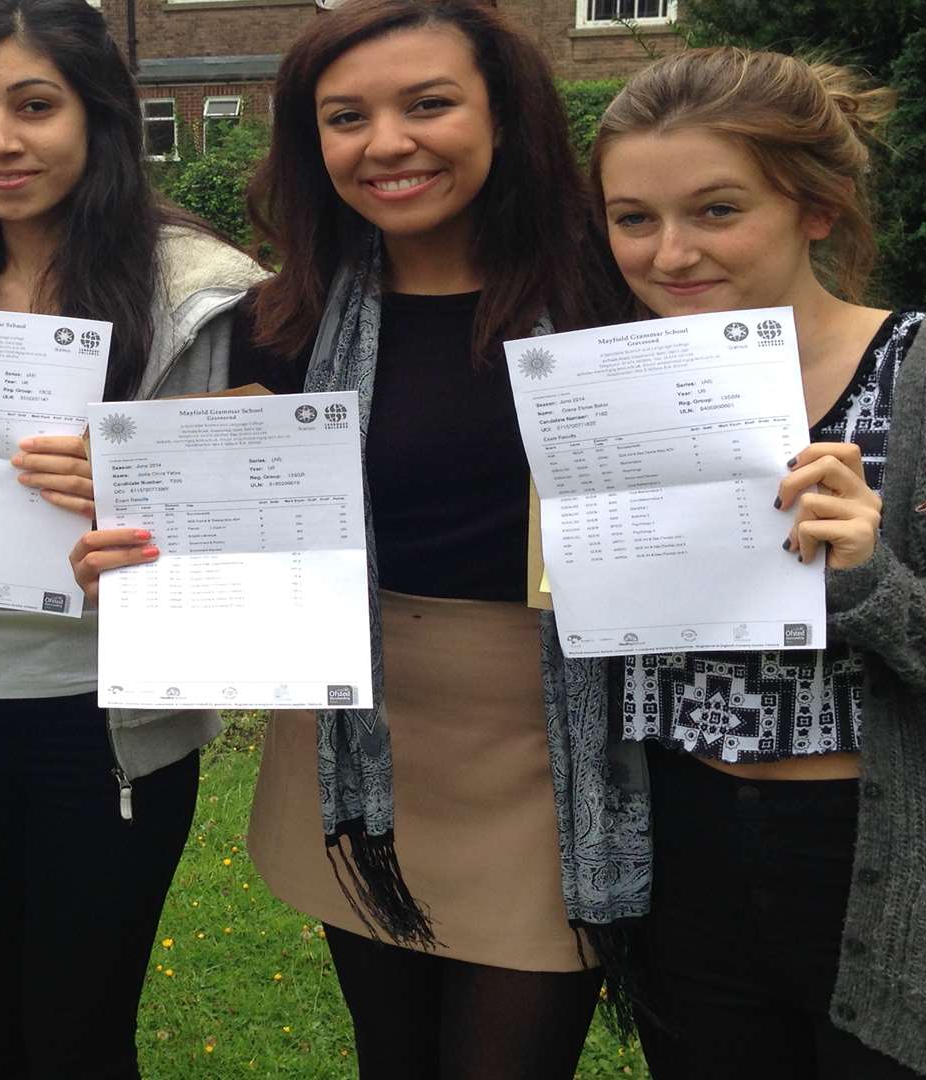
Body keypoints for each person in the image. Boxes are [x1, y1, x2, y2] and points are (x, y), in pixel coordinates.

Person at [72, 1, 616, 1075]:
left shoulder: (609, 305)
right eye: (345, 117)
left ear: (503, 117)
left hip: (554, 748)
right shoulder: (287, 322)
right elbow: (241, 546)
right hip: (362, 746)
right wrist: (133, 545)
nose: (387, 144)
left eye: (429, 105)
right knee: (394, 1056)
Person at [555, 46, 926, 1080]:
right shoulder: (606, 386)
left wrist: (878, 585)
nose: (670, 253)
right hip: (687, 853)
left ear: (817, 206)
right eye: (634, 217)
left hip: (905, 855)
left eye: (717, 210)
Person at [0, 1, 265, 1075]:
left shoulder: (202, 296)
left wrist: (152, 492)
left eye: (34, 106)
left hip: (107, 732)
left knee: (81, 1034)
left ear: (100, 116)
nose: (1, 141)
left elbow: (273, 521)